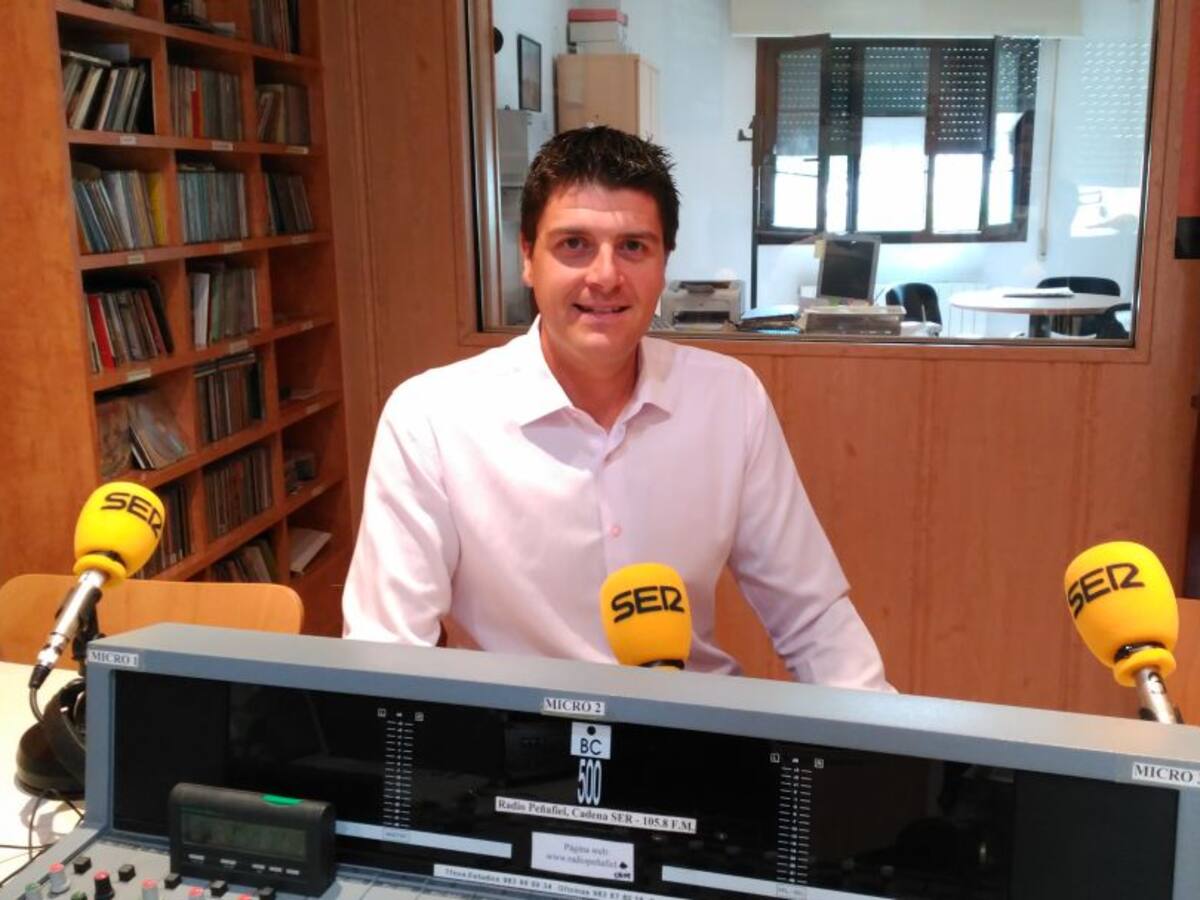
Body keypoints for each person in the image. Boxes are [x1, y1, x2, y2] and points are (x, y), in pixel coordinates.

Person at [343, 126, 890, 690]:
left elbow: (812, 613)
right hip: (515, 729)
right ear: (528, 257)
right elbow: (387, 647)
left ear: (663, 264)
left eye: (633, 247)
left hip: (688, 721)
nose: (605, 276)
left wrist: (878, 729)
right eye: (574, 245)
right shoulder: (431, 418)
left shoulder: (729, 399)